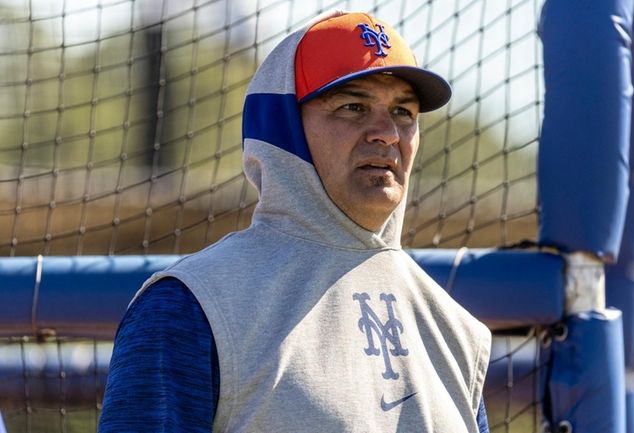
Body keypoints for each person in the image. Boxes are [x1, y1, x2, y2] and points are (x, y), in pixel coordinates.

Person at [99, 10, 491, 433]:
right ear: (284, 128)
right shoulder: (191, 306)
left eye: (403, 112)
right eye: (353, 107)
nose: (387, 133)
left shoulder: (458, 331)